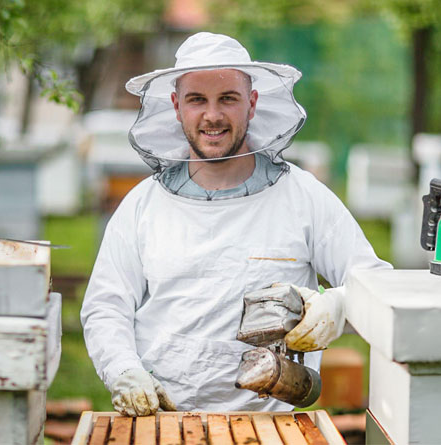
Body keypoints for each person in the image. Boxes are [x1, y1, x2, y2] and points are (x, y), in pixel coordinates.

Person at [80, 32, 391, 417]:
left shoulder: (304, 197)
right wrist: (124, 371)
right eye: (197, 100)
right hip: (162, 419)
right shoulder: (143, 205)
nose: (213, 115)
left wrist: (340, 306)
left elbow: (374, 282)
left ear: (253, 103)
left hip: (268, 423)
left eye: (228, 98)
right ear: (177, 107)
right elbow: (106, 306)